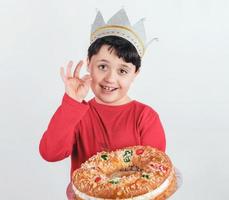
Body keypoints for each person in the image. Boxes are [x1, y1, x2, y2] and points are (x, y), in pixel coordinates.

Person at [39, 9, 166, 179]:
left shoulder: (145, 117)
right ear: (89, 63)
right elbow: (50, 153)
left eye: (122, 70)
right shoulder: (78, 114)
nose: (110, 79)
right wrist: (72, 102)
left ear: (135, 73)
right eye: (102, 67)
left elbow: (154, 173)